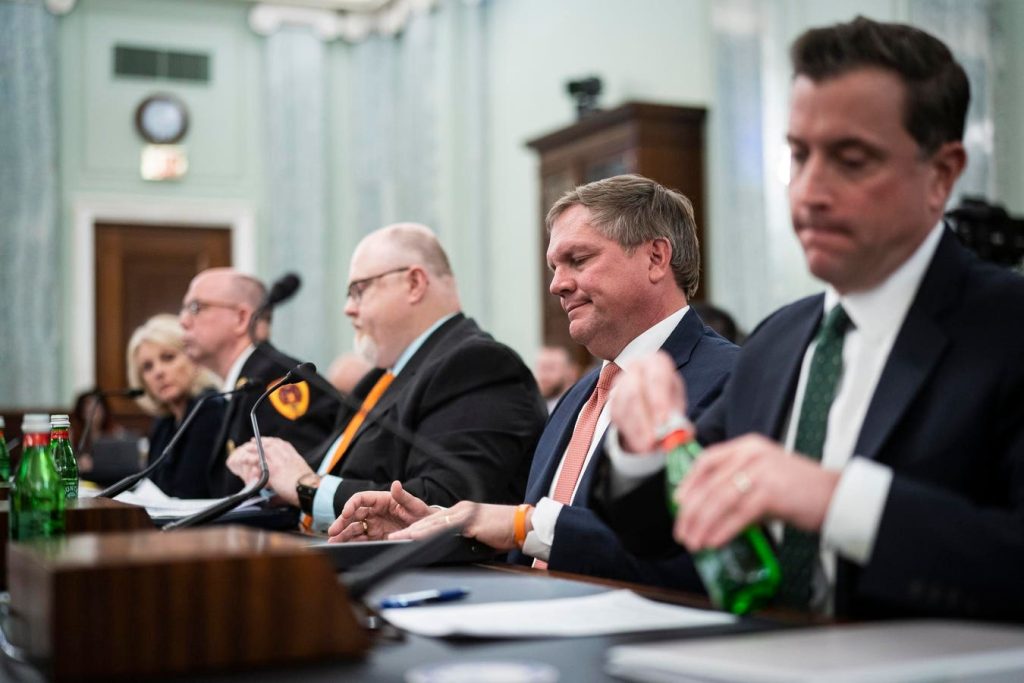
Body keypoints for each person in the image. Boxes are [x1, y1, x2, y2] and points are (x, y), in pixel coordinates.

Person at [599, 17, 1024, 620]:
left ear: (941, 175)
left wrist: (836, 500)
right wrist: (641, 446)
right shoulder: (779, 339)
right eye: (799, 156)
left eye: (851, 160)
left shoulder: (1007, 329)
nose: (809, 192)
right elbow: (656, 534)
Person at [330, 176, 738, 590]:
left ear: (655, 258)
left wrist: (522, 524)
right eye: (554, 267)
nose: (557, 284)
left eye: (578, 259)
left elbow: (701, 554)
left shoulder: (731, 379)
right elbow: (531, 544)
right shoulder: (579, 396)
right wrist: (442, 530)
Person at [226, 223, 547, 532]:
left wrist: (306, 487)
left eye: (358, 290)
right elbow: (328, 470)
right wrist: (271, 474)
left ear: (414, 283)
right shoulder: (379, 378)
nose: (348, 309)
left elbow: (446, 502)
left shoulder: (476, 363)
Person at [179, 268, 339, 496]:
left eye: (196, 307)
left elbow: (301, 484)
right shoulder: (248, 382)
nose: (183, 321)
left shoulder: (277, 382)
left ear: (241, 318)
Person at [126, 314, 223, 498]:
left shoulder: (210, 408)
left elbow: (189, 493)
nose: (158, 372)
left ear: (194, 358)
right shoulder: (164, 422)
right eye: (147, 367)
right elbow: (153, 487)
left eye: (168, 357)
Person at [534, 345, 581, 413]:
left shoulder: (579, 408)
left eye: (551, 368)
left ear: (572, 372)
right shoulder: (534, 407)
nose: (544, 375)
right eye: (541, 368)